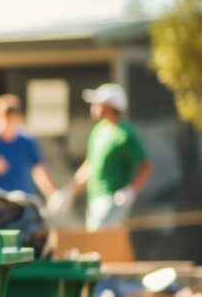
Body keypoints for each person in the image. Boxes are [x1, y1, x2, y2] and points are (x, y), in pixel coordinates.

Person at [49, 83, 153, 231]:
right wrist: (69, 192)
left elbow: (145, 166)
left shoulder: (124, 135)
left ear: (109, 107)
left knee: (98, 243)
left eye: (98, 103)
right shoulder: (98, 131)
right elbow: (90, 166)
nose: (93, 106)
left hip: (113, 200)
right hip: (94, 199)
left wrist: (131, 190)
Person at [0, 94, 57, 197]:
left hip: (23, 199)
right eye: (4, 120)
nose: (7, 125)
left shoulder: (27, 140)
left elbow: (39, 170)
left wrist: (52, 194)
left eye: (11, 120)